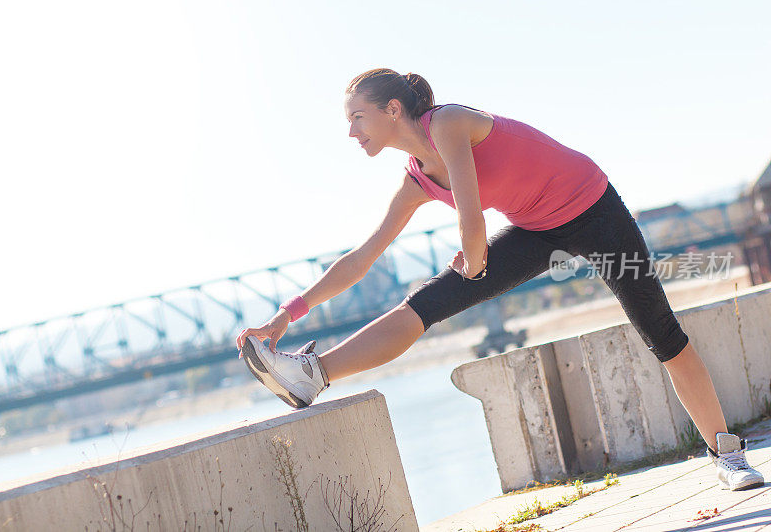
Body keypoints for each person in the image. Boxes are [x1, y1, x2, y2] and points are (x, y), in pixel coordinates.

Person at [236, 68, 764, 491]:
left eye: (357, 117)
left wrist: (472, 259)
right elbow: (361, 258)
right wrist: (282, 318)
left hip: (595, 211)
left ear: (393, 110)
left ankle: (727, 454)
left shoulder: (447, 124)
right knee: (423, 303)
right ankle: (311, 374)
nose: (351, 132)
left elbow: (472, 219)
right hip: (537, 230)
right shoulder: (416, 179)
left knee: (662, 335)